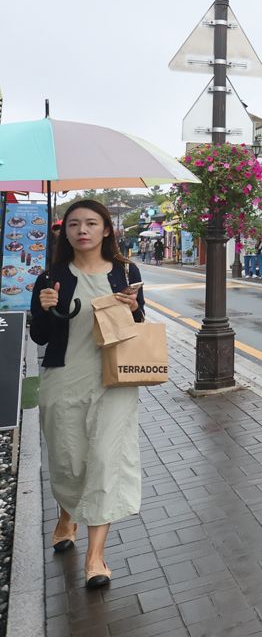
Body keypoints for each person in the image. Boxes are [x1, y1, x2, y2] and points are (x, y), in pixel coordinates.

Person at [29, 199, 145, 590]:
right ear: (65, 233)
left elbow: (138, 325)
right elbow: (40, 337)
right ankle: (66, 517)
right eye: (74, 224)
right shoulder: (50, 278)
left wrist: (133, 309)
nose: (82, 230)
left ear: (106, 229)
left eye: (91, 223)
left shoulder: (126, 272)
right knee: (69, 460)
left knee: (104, 460)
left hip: (113, 380)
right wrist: (44, 309)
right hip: (65, 378)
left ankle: (95, 558)